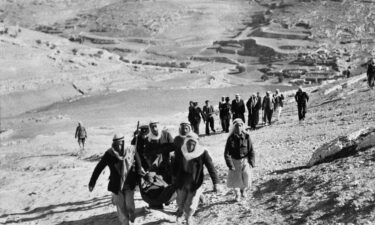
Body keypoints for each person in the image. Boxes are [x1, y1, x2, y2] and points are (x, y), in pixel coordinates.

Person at [89, 133, 140, 225]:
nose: (118, 146)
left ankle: (131, 213)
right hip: (116, 186)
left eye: (120, 144)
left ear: (123, 142)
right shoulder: (109, 154)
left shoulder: (131, 150)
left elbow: (139, 164)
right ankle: (125, 222)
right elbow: (99, 168)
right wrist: (92, 182)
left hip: (129, 184)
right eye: (116, 144)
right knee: (121, 207)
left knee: (129, 204)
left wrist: (140, 174)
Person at [174, 133, 218, 224]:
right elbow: (174, 166)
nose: (190, 146)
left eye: (192, 144)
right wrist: (173, 179)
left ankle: (188, 217)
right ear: (185, 143)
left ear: (196, 144)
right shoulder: (180, 151)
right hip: (182, 181)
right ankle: (180, 212)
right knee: (180, 201)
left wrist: (216, 182)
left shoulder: (202, 153)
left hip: (195, 182)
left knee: (191, 204)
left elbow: (211, 167)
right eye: (188, 144)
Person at [224, 119, 255, 202]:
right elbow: (226, 154)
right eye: (236, 126)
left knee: (246, 175)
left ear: (242, 126)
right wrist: (230, 165)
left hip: (245, 160)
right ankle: (237, 193)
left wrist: (251, 162)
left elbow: (251, 150)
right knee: (236, 179)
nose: (238, 127)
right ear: (234, 127)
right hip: (234, 161)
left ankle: (243, 190)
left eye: (240, 125)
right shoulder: (230, 139)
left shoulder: (247, 137)